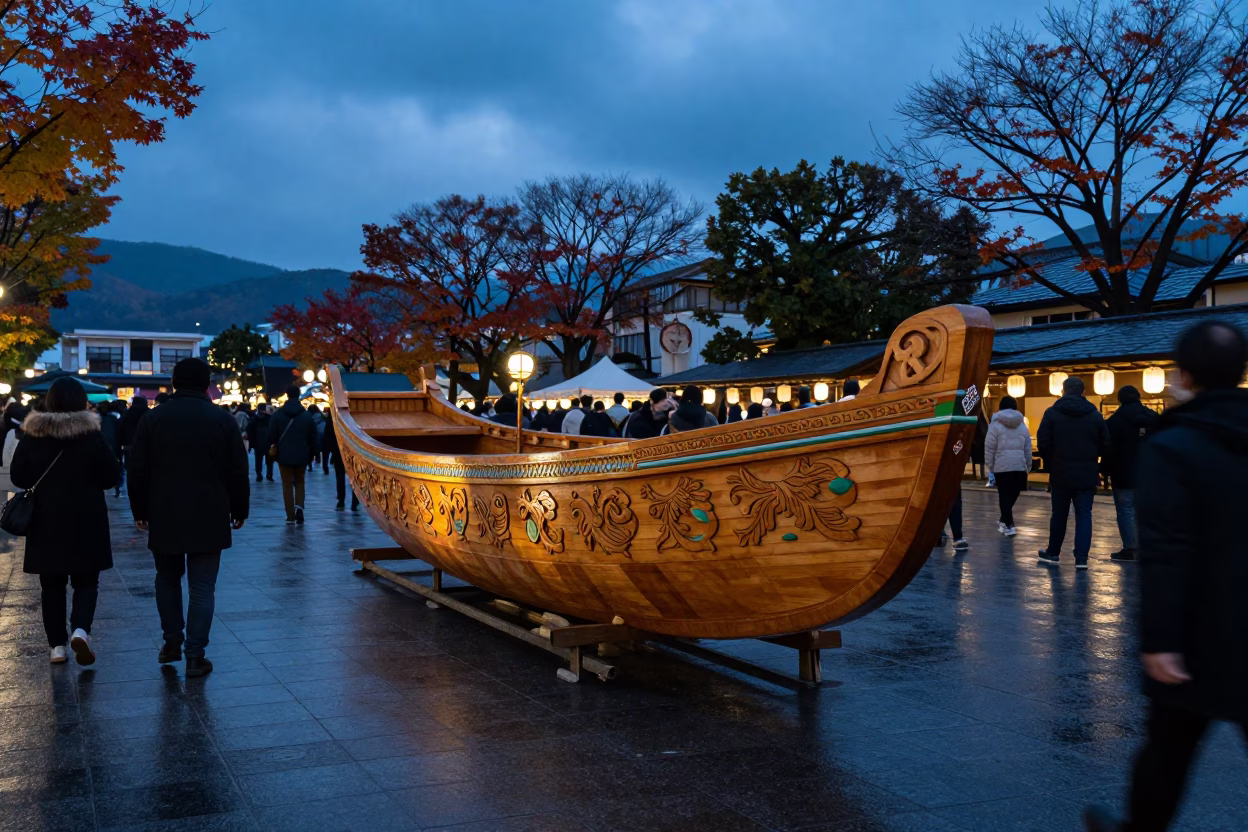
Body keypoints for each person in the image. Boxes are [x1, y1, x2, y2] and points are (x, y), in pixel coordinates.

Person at [1083, 321, 1248, 832]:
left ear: (1183, 375)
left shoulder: (1175, 443)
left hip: (1200, 630)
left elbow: (1167, 550)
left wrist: (1160, 640)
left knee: (1170, 749)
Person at [127, 358, 249, 678]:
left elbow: (137, 469)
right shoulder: (222, 420)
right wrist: (239, 509)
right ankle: (195, 654)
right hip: (210, 511)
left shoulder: (154, 419)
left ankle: (171, 642)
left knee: (167, 578)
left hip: (164, 510)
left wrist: (140, 510)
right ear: (207, 384)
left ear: (174, 382)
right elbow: (238, 470)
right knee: (202, 587)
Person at [11, 378, 120, 665]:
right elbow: (110, 477)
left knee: (51, 585)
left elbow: (18, 477)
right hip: (87, 518)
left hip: (45, 519)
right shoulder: (91, 435)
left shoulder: (33, 434)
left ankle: (56, 647)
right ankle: (81, 630)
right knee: (87, 581)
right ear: (81, 401)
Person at [1037, 376, 1109, 569]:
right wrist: (1093, 458)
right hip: (1087, 472)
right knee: (1084, 514)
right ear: (1083, 392)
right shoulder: (1094, 415)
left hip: (1060, 471)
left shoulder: (1052, 413)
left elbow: (1043, 442)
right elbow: (1106, 444)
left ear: (1063, 391)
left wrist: (1052, 461)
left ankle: (1053, 552)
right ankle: (1081, 559)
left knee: (1059, 514)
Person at [1103, 385, 1159, 562]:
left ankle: (1131, 549)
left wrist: (1104, 471)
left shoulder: (1114, 422)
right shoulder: (1154, 418)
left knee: (1125, 510)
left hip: (1123, 473)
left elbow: (1108, 449)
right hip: (1151, 474)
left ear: (1120, 399)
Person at [267, 385, 318, 524]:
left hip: (283, 455)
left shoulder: (278, 414)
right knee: (300, 481)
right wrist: (313, 453)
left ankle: (290, 515)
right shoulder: (306, 416)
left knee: (287, 484)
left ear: (287, 395)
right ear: (299, 395)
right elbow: (313, 437)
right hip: (302, 454)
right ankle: (299, 507)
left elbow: (271, 435)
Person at [984, 396, 1031, 536]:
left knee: (1004, 495)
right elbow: (1027, 448)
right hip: (1019, 466)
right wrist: (1028, 465)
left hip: (1001, 466)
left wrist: (990, 466)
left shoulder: (994, 425)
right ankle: (1007, 522)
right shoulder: (1022, 426)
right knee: (1013, 494)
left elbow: (989, 447)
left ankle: (1007, 522)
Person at [322, 417, 359, 511]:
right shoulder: (352, 416)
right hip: (352, 450)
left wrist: (332, 450)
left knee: (340, 476)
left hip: (338, 449)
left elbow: (327, 435)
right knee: (354, 476)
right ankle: (354, 502)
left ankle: (341, 500)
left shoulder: (333, 417)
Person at [116, 395, 148, 492]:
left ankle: (133, 487)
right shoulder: (148, 414)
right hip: (145, 446)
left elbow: (120, 430)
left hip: (128, 445)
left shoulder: (127, 414)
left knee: (130, 468)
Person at [96, 401, 121, 498]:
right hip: (113, 445)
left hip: (102, 445)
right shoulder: (115, 419)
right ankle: (117, 487)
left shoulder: (96, 420)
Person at [247, 403, 274, 482]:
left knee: (258, 459)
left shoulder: (254, 419)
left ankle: (259, 474)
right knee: (269, 459)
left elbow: (249, 430)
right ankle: (269, 474)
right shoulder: (269, 418)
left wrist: (251, 442)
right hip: (268, 441)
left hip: (257, 442)